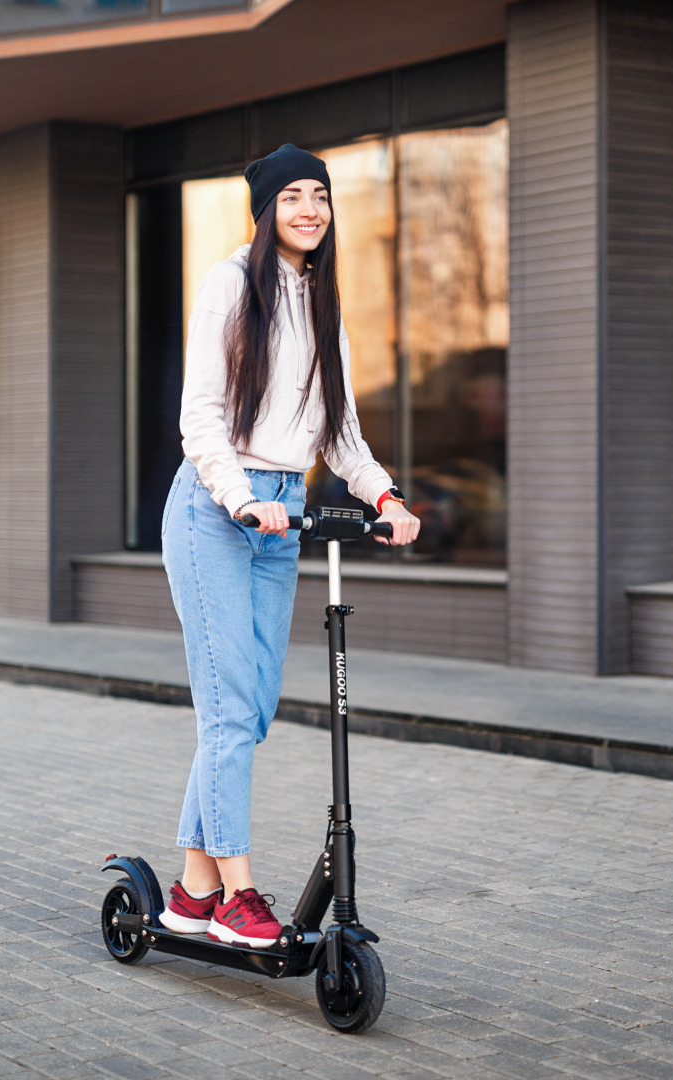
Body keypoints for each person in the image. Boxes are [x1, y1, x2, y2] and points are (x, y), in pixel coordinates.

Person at [157, 143, 420, 947]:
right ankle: (236, 895)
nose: (309, 209)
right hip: (215, 509)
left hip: (282, 514)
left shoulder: (321, 300)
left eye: (321, 196)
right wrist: (239, 497)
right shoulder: (231, 283)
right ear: (266, 208)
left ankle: (192, 889)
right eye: (293, 196)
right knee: (229, 711)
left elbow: (338, 433)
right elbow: (199, 414)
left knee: (253, 711)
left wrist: (384, 493)